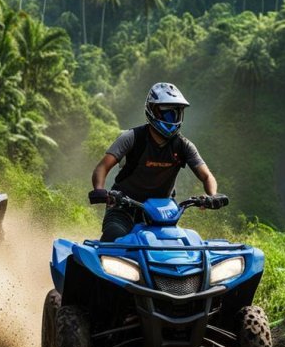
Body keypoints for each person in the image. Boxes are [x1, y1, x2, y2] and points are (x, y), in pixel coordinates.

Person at [90, 82, 223, 241]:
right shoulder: (132, 137)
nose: (172, 118)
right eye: (168, 113)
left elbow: (207, 176)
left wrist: (212, 196)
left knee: (175, 246)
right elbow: (102, 167)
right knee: (114, 237)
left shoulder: (183, 145)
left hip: (162, 213)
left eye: (176, 113)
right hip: (122, 206)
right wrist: (99, 190)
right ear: (152, 111)